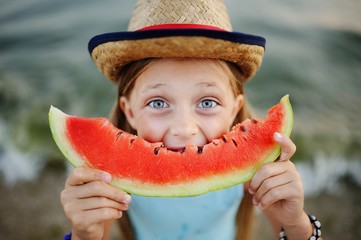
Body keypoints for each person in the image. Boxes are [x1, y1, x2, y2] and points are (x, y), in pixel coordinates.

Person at [60, 1, 322, 239]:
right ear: (130, 112)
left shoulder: (253, 174)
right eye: (158, 103)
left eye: (207, 102)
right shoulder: (108, 172)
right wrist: (83, 234)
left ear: (234, 109)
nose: (184, 129)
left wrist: (295, 220)